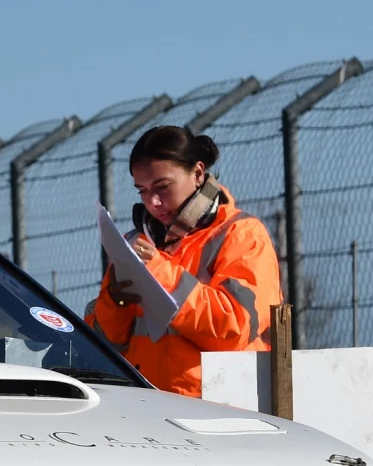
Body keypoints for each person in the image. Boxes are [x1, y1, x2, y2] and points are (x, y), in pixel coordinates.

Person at [86, 126, 281, 397]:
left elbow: (236, 331)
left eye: (163, 187)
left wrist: (159, 273)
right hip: (145, 408)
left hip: (218, 410)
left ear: (198, 174)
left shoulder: (241, 233)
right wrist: (115, 302)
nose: (152, 202)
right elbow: (103, 345)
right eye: (141, 190)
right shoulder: (134, 242)